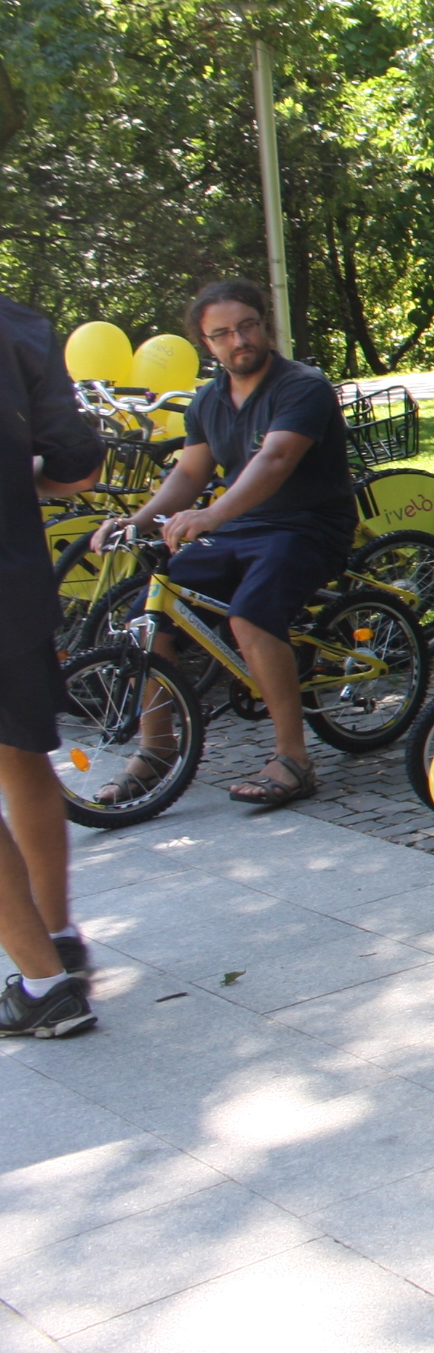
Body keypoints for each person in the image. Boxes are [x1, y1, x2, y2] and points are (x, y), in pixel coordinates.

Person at [91, 280, 359, 807]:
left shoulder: (302, 386)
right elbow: (190, 471)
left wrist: (212, 514)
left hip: (307, 526)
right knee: (150, 616)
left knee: (251, 616)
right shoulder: (208, 400)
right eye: (223, 334)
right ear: (206, 344)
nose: (239, 340)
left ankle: (294, 759)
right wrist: (138, 521)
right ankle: (157, 747)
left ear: (263, 324)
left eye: (247, 326)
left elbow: (275, 459)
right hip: (240, 528)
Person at [1, 298, 104, 1036]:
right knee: (21, 756)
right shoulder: (19, 327)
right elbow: (77, 464)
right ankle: (59, 937)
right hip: (14, 581)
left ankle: (44, 986)